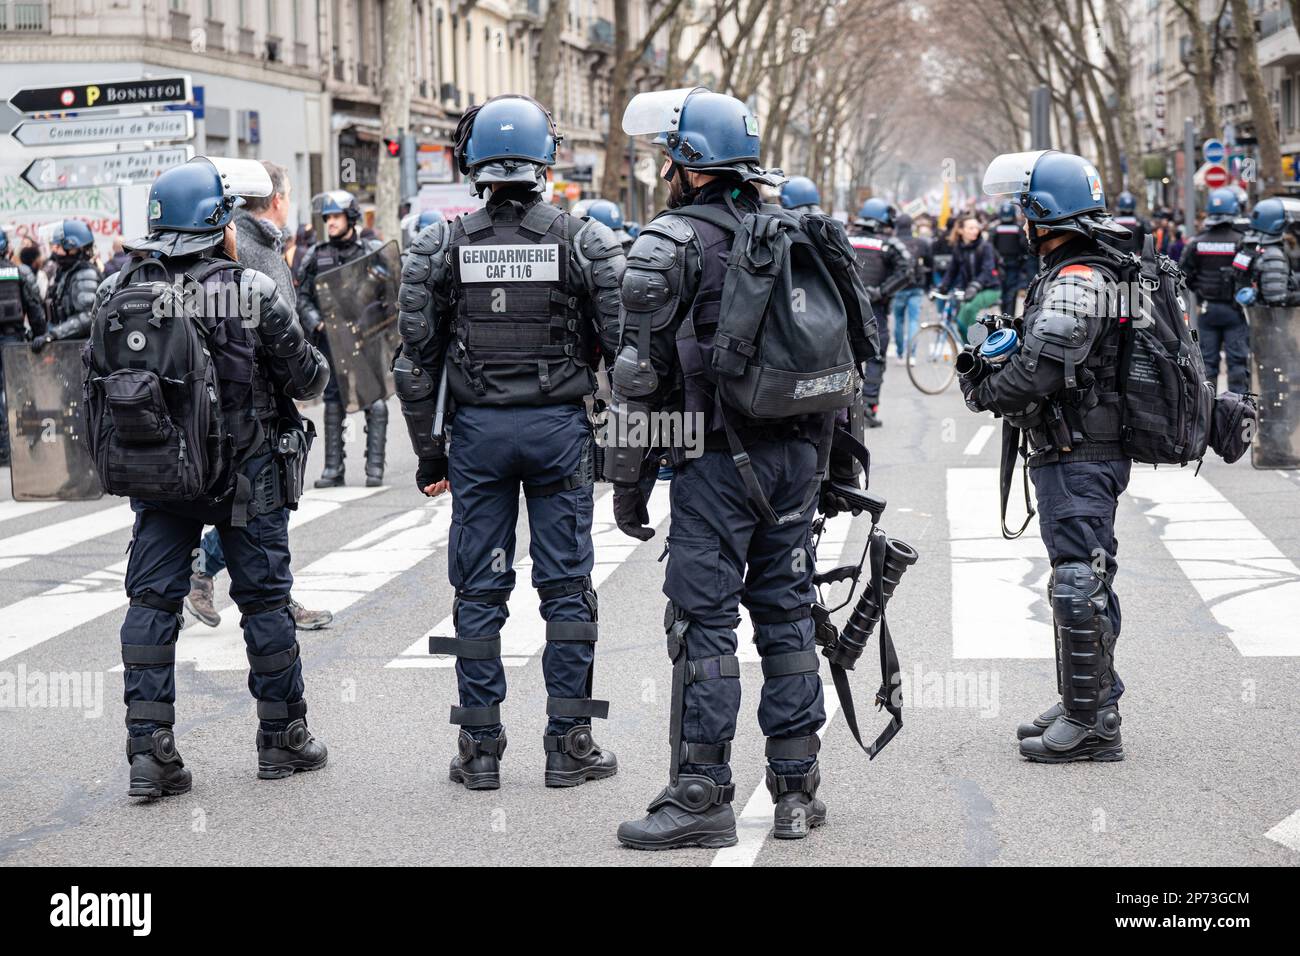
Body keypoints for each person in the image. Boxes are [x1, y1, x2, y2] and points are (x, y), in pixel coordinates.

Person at [605, 87, 880, 849]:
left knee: (703, 623)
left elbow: (637, 378)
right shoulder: (800, 230)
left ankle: (700, 794)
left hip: (715, 460)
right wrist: (833, 460)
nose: (663, 168)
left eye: (669, 156)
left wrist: (628, 483)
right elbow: (851, 353)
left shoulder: (667, 243)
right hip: (799, 458)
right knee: (788, 614)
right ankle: (796, 790)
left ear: (688, 164)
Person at [394, 93, 625, 791]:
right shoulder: (585, 240)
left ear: (472, 166)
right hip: (559, 434)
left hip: (478, 438)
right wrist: (631, 446)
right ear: (544, 161)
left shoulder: (439, 244)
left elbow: (414, 365)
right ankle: (569, 743)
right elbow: (628, 353)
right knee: (567, 589)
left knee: (478, 590)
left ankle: (480, 748)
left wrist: (430, 455)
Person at [89, 156, 331, 798]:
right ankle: (282, 740)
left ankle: (150, 755)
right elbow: (308, 379)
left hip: (161, 475)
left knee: (150, 604)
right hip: (247, 476)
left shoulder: (119, 291)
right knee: (265, 605)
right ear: (222, 224)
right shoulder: (250, 289)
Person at [963, 149, 1134, 763]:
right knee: (1084, 576)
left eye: (1024, 209)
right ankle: (1087, 699)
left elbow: (1040, 370)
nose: (1019, 220)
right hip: (1079, 446)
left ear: (1043, 214)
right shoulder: (1082, 270)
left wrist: (984, 389)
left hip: (1080, 449)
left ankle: (1094, 725)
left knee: (1078, 582)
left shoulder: (1078, 278)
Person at [185, 161, 333, 633]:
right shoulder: (252, 246)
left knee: (256, 506)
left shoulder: (251, 241)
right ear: (277, 200)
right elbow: (272, 328)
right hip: (251, 406)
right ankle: (245, 589)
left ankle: (261, 591)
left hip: (236, 403)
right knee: (257, 506)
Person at [296, 191, 389, 487]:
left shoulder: (371, 251)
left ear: (350, 218)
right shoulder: (316, 254)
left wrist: (377, 322)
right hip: (330, 340)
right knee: (333, 402)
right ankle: (333, 470)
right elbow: (303, 298)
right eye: (327, 218)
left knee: (374, 399)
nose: (330, 223)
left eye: (335, 217)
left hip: (365, 338)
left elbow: (390, 294)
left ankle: (374, 468)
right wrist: (317, 323)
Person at [848, 198, 911, 426]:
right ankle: (868, 408)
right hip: (874, 310)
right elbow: (907, 270)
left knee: (844, 357)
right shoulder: (889, 244)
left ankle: (843, 411)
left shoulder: (844, 237)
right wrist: (881, 291)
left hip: (845, 307)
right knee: (875, 358)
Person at [1181, 188, 1249, 394]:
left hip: (1208, 311)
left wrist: (1200, 291)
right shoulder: (1241, 241)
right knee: (1237, 364)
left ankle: (1207, 415)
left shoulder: (1197, 242)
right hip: (1234, 310)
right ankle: (1238, 413)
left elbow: (1183, 274)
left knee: (1207, 364)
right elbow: (1248, 274)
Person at [0, 228, 47, 465]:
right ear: (6, 249)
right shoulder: (17, 272)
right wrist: (42, 336)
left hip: (12, 339)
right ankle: (31, 435)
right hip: (13, 341)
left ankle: (3, 449)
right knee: (21, 388)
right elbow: (34, 307)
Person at [29, 220, 100, 353]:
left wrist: (54, 334)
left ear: (72, 247)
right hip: (68, 348)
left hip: (81, 351)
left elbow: (88, 316)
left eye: (58, 246)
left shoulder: (85, 274)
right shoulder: (66, 272)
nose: (54, 250)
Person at [938, 214, 999, 339]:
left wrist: (975, 285)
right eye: (971, 228)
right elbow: (951, 271)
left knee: (969, 309)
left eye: (976, 228)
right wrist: (942, 286)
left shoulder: (985, 246)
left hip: (990, 289)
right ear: (961, 230)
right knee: (960, 322)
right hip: (969, 291)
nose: (975, 231)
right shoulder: (958, 249)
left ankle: (979, 345)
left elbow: (988, 270)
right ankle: (970, 350)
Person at [1234, 196, 1300, 307]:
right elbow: (1276, 297)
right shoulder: (1272, 253)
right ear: (1277, 225)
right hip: (1272, 321)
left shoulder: (1250, 247)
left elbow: (1276, 277)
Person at [890, 213, 932, 359]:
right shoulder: (920, 243)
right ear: (911, 226)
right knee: (913, 320)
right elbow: (929, 263)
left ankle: (900, 351)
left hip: (897, 287)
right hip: (916, 285)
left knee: (899, 320)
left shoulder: (892, 242)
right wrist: (928, 284)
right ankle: (912, 353)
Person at [989, 201, 1034, 315]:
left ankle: (1004, 316)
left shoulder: (995, 229)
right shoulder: (1018, 229)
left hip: (1000, 267)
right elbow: (1025, 247)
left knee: (1002, 294)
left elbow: (990, 248)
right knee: (1011, 294)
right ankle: (1008, 317)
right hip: (1014, 266)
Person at [1110, 191, 1148, 256]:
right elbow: (1144, 241)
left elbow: (1108, 242)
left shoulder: (1113, 221)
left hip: (1116, 258)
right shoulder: (1140, 221)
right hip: (1134, 258)